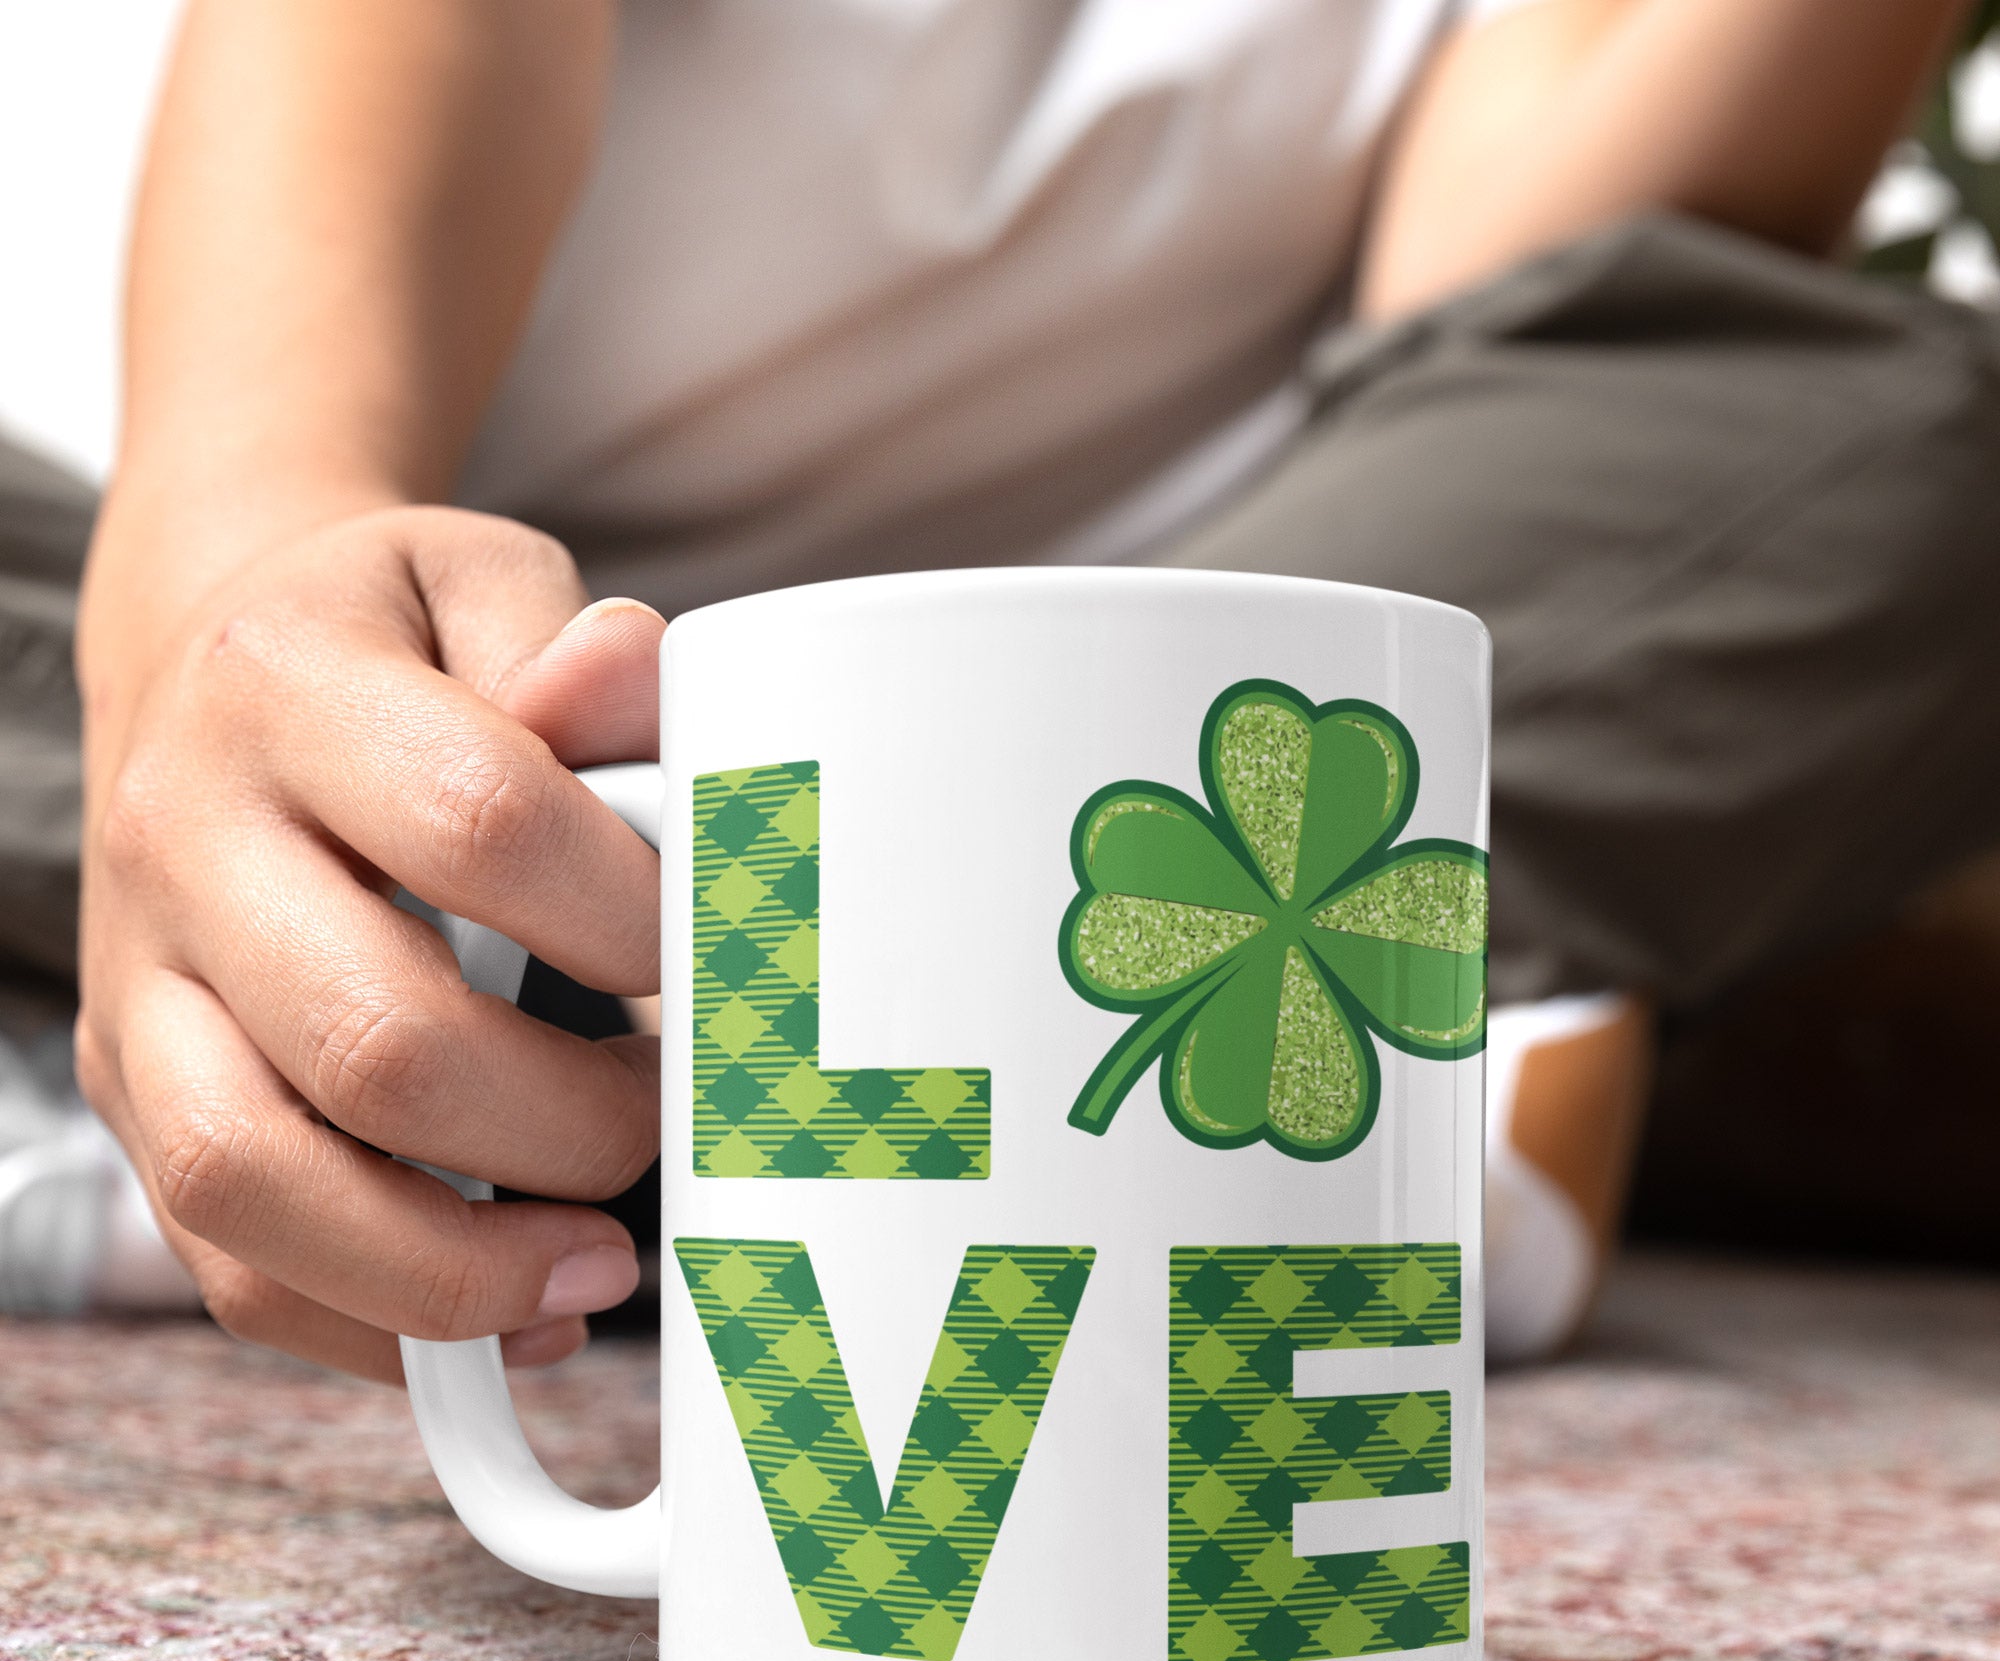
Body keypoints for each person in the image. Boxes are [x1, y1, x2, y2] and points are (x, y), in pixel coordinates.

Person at [2, 0, 1994, 1382]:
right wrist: (228, 571)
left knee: (1921, 476)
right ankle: (1189, 1155)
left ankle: (471, 1094)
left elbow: (1533, 288)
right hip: (405, 618)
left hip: (1123, 708)